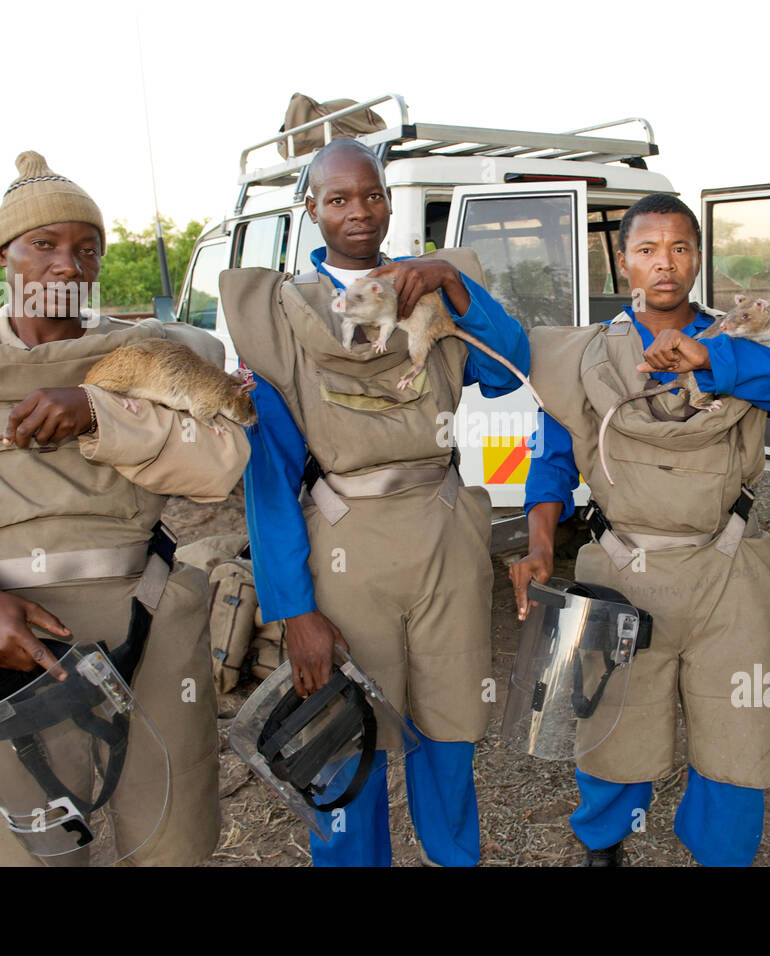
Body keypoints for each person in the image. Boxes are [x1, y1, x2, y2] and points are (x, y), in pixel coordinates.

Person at [0, 151, 250, 866]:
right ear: (3, 253)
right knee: (20, 848)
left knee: (167, 837)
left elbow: (218, 469)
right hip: (5, 645)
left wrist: (99, 416)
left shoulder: (141, 358)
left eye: (86, 249)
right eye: (45, 244)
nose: (68, 265)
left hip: (145, 629)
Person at [218, 137, 530, 867]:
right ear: (312, 209)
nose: (359, 212)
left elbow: (508, 368)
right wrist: (293, 610)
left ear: (389, 200)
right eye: (338, 198)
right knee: (345, 739)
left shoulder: (433, 284)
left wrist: (452, 282)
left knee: (448, 726)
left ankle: (455, 857)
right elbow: (268, 478)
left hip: (445, 534)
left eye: (372, 195)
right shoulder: (283, 312)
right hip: (346, 544)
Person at [511, 194, 770, 866]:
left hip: (729, 569)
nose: (666, 263)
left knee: (739, 734)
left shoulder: (742, 341)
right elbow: (549, 462)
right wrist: (540, 543)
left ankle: (721, 854)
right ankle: (605, 845)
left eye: (681, 248)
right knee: (610, 728)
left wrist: (709, 361)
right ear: (622, 260)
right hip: (622, 569)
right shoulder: (588, 354)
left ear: (697, 258)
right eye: (649, 249)